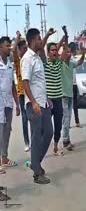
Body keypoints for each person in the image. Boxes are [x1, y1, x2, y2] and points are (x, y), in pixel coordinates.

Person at [21, 28, 53, 184]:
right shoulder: (27, 58)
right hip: (34, 105)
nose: (42, 41)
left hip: (44, 103)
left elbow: (39, 82)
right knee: (36, 137)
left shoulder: (37, 57)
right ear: (33, 40)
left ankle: (35, 164)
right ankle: (37, 173)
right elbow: (25, 82)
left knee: (49, 133)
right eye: (40, 38)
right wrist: (33, 102)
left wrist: (46, 99)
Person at [60, 28, 85, 150]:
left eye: (70, 52)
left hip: (69, 95)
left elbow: (80, 62)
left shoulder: (71, 63)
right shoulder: (62, 63)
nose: (69, 54)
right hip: (63, 96)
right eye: (67, 52)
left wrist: (84, 52)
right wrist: (65, 35)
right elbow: (64, 48)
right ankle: (65, 141)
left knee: (68, 118)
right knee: (66, 118)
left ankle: (66, 139)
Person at [0, 36, 20, 170]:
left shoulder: (10, 64)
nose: (9, 48)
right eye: (7, 46)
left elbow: (12, 84)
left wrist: (17, 103)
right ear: (0, 47)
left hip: (8, 102)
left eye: (10, 45)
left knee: (6, 131)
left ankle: (4, 158)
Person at [44, 32, 65, 155]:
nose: (54, 52)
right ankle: (42, 149)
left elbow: (64, 49)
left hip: (58, 99)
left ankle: (56, 147)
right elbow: (42, 48)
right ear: (48, 52)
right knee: (46, 128)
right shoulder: (44, 64)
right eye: (52, 50)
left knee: (58, 125)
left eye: (56, 50)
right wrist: (47, 35)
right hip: (48, 100)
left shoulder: (59, 63)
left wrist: (64, 37)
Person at [13, 31, 30, 152]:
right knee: (24, 118)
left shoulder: (30, 60)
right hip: (21, 93)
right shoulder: (18, 61)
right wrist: (18, 38)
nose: (26, 50)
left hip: (30, 92)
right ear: (20, 50)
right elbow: (13, 51)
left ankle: (34, 140)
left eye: (27, 48)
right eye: (24, 48)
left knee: (33, 117)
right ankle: (26, 142)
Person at [69, 42, 81, 127]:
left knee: (74, 104)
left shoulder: (73, 59)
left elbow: (79, 64)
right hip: (69, 85)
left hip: (74, 84)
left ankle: (76, 121)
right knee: (70, 105)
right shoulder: (70, 59)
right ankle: (69, 122)